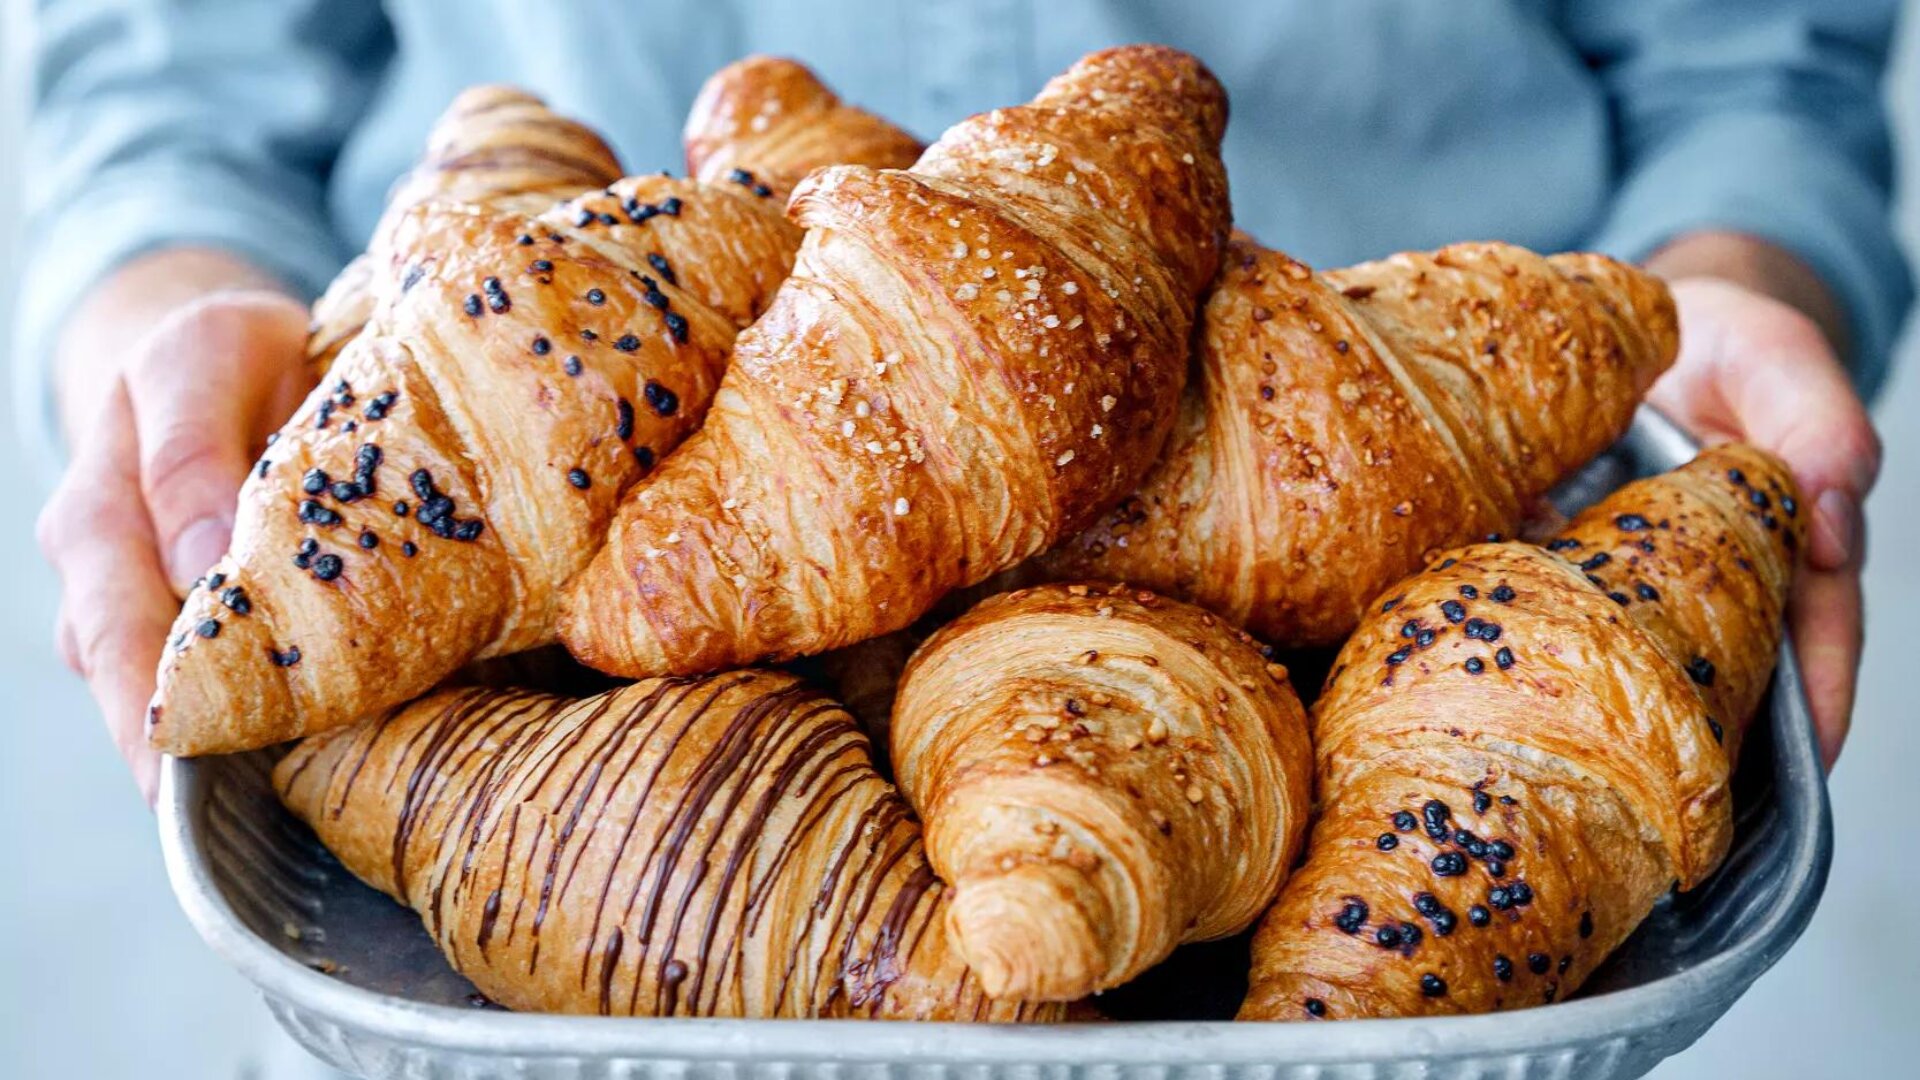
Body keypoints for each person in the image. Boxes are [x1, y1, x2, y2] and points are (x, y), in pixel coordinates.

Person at [23, 1, 1905, 802]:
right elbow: (166, 92)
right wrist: (171, 316)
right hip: (501, 662)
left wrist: (1735, 281)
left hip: (1459, 633)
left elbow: (1749, 59)